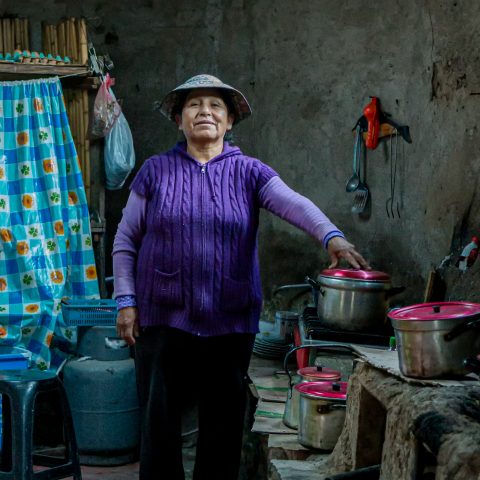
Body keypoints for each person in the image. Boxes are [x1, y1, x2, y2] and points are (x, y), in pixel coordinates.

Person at [112, 74, 370, 480]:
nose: (205, 112)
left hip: (228, 320)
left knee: (222, 427)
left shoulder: (249, 172)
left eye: (216, 106)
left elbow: (294, 204)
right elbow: (126, 241)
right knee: (158, 426)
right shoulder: (155, 171)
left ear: (230, 121)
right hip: (162, 317)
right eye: (194, 105)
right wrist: (126, 302)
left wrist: (331, 236)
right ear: (179, 119)